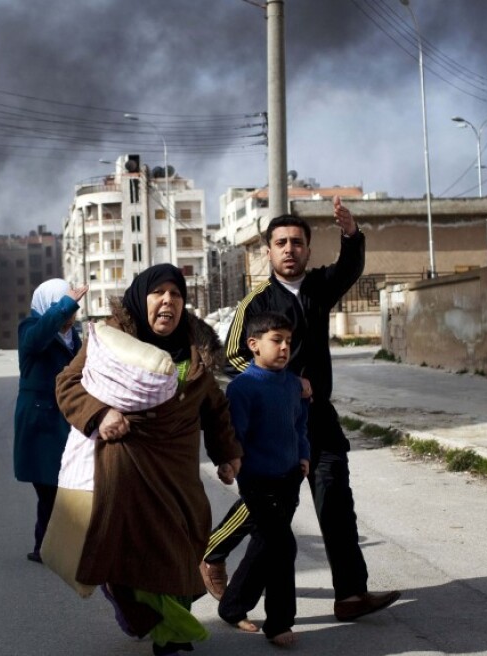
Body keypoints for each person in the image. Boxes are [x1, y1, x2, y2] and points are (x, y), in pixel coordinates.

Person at [201, 198, 401, 622]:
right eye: (280, 243)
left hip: (319, 419)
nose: (289, 249)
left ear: (308, 249)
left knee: (335, 502)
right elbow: (230, 358)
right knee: (269, 504)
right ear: (268, 252)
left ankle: (350, 594)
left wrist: (351, 235)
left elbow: (350, 269)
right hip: (274, 423)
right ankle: (213, 551)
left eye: (296, 242)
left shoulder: (319, 287)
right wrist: (284, 380)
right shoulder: (255, 302)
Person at [55, 264, 242, 656]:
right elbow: (68, 384)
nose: (167, 302)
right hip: (127, 465)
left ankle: (160, 619)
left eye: (175, 295)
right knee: (140, 548)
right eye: (158, 293)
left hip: (178, 468)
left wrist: (227, 453)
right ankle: (171, 633)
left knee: (184, 543)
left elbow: (215, 407)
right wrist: (100, 415)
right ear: (141, 298)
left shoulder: (198, 347)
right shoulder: (109, 340)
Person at [216, 312, 309, 647]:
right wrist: (229, 464)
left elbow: (299, 424)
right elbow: (233, 435)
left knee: (265, 545)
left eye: (288, 341)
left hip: (289, 478)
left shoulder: (293, 384)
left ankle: (232, 606)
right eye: (276, 340)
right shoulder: (244, 388)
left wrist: (304, 455)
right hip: (257, 481)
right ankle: (280, 623)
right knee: (284, 545)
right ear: (253, 345)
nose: (284, 347)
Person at [12, 279, 86, 563]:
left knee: (62, 486)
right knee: (49, 487)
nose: (70, 317)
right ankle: (49, 546)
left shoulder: (73, 336)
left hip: (66, 419)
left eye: (72, 311)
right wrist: (65, 305)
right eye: (65, 310)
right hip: (40, 421)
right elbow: (41, 335)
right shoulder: (30, 329)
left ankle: (46, 545)